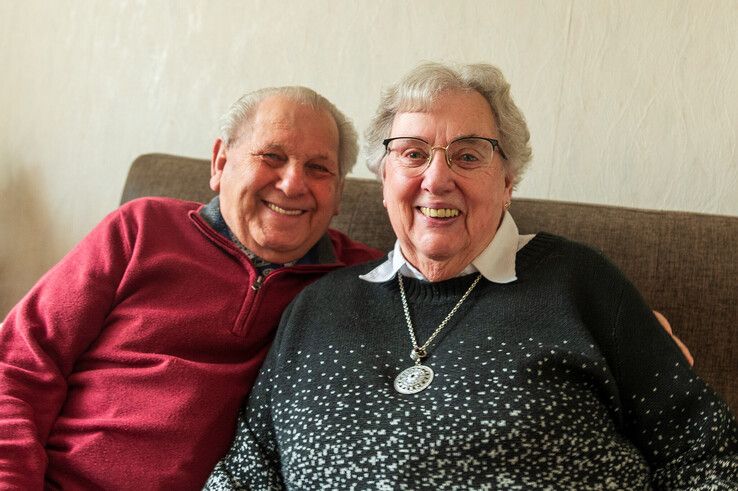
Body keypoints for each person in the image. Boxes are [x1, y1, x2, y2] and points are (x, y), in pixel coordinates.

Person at [205, 63, 737, 489]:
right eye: (412, 154)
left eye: (467, 155)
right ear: (383, 176)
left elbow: (710, 454)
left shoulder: (577, 282)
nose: (437, 179)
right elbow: (247, 471)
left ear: (507, 181)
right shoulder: (320, 304)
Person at [0, 87, 382, 489]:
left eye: (319, 168)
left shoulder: (360, 283)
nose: (292, 184)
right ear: (220, 162)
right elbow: (20, 365)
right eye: (272, 156)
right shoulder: (141, 229)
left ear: (339, 192)